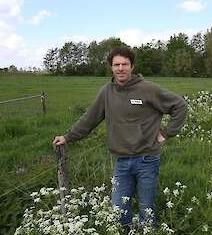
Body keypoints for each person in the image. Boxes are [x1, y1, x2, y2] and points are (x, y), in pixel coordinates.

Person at [52, 46, 187, 226]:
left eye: (125, 64)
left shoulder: (147, 89)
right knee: (119, 210)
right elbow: (89, 118)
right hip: (121, 161)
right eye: (116, 64)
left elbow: (180, 105)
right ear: (111, 67)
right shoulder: (106, 92)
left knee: (147, 208)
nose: (121, 68)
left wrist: (166, 133)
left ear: (132, 66)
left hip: (147, 159)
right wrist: (68, 137)